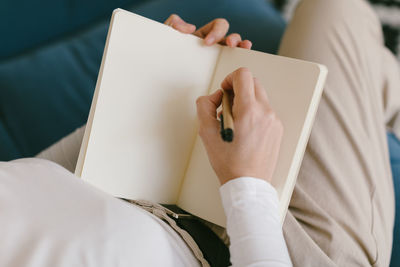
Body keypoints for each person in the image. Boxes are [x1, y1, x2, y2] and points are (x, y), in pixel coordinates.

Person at [1, 0, 399, 266]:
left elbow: (45, 182)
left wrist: (156, 94)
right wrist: (246, 182)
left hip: (174, 187)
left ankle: (378, 85)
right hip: (290, 246)